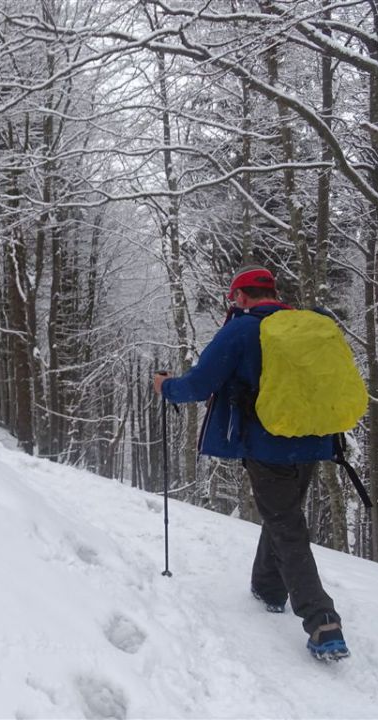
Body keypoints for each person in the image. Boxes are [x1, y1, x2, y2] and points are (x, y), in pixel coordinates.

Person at [152, 265, 349, 661]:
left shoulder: (241, 330)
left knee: (286, 525)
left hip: (268, 445)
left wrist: (165, 386)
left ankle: (322, 620)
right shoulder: (304, 327)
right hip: (313, 439)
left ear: (241, 297)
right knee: (281, 514)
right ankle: (268, 587)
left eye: (234, 298)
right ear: (273, 292)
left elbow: (197, 385)